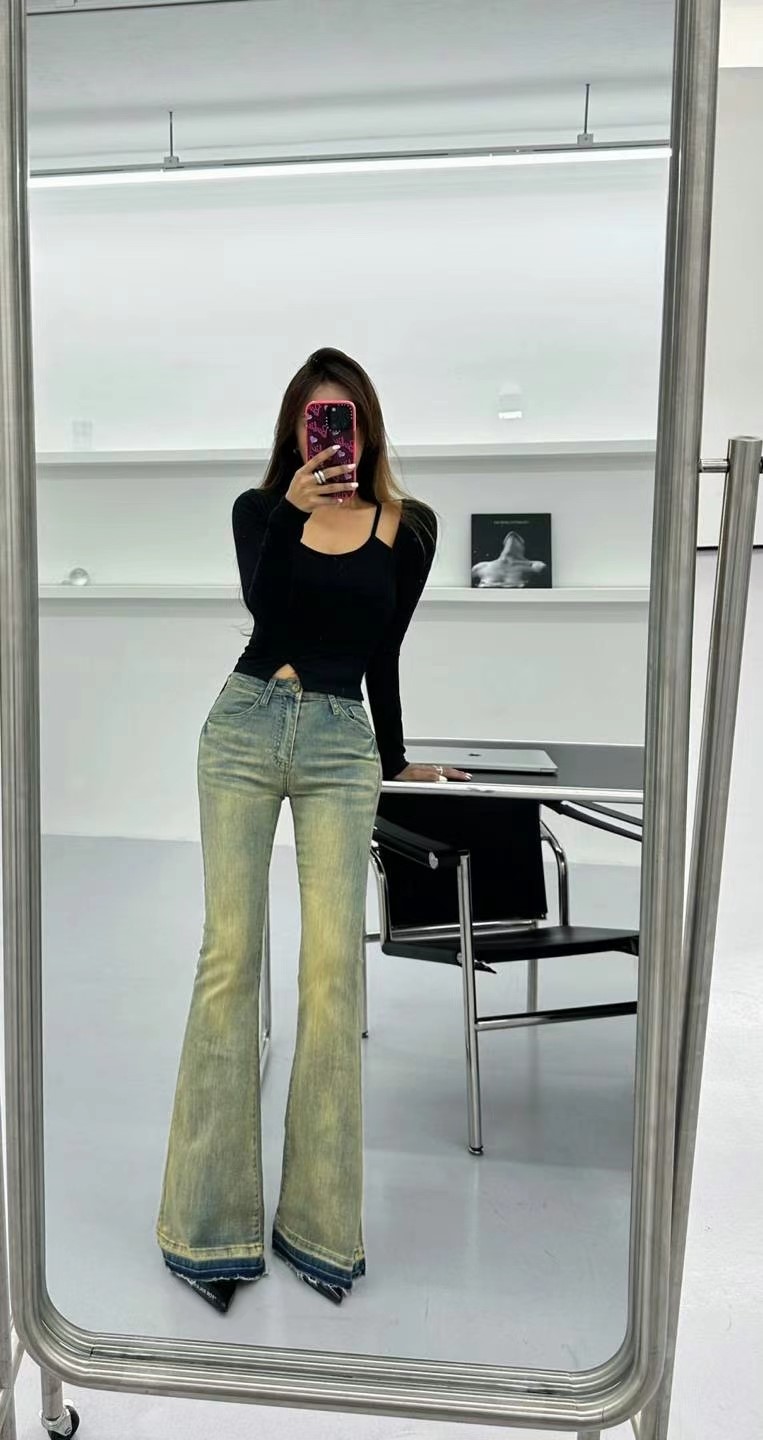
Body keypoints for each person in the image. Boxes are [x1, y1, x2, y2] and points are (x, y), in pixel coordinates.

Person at [155, 347, 470, 1314]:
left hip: (340, 744)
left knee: (333, 973)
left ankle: (320, 1230)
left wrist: (397, 757)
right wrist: (292, 511)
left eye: (343, 418)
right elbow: (269, 608)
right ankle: (208, 1229)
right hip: (245, 727)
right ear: (294, 431)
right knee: (229, 960)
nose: (330, 435)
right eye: (312, 420)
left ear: (366, 426)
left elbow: (385, 651)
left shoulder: (409, 526)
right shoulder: (259, 512)